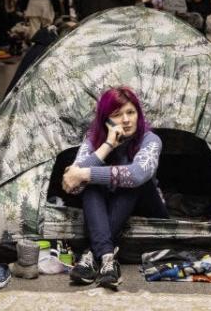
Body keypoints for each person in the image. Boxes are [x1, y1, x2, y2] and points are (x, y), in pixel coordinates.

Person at [63, 87, 167, 289]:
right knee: (90, 184)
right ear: (106, 120)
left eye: (131, 112)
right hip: (112, 207)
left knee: (130, 179)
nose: (126, 120)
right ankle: (108, 260)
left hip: (148, 205)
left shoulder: (150, 140)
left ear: (138, 114)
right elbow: (72, 186)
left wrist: (84, 173)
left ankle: (92, 253)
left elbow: (137, 175)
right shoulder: (93, 140)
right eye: (117, 115)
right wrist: (108, 145)